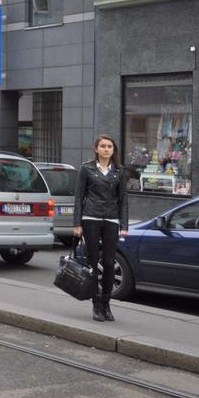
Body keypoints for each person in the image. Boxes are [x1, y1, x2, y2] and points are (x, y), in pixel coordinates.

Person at [73, 134, 129, 322]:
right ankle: (96, 305)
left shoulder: (119, 171)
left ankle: (106, 304)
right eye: (103, 146)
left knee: (108, 263)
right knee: (92, 263)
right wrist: (77, 224)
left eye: (110, 146)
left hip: (111, 220)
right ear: (96, 149)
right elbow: (79, 196)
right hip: (90, 218)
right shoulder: (86, 168)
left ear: (114, 150)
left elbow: (123, 200)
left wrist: (124, 225)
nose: (106, 149)